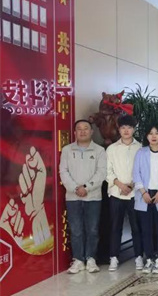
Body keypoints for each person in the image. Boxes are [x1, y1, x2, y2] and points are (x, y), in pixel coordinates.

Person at [59, 120, 107, 274]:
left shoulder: (99, 150)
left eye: (86, 128)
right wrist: (75, 188)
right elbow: (63, 171)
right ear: (74, 132)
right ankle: (78, 260)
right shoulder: (67, 150)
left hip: (93, 196)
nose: (82, 131)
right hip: (72, 197)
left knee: (92, 229)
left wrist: (86, 187)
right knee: (76, 230)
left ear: (91, 132)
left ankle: (91, 258)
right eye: (79, 129)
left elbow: (102, 172)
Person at [106, 115, 143, 272]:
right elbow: (108, 171)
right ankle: (113, 257)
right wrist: (120, 184)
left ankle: (139, 256)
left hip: (135, 193)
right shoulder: (112, 149)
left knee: (136, 227)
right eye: (123, 128)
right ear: (119, 129)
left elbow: (143, 170)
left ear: (134, 129)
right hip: (116, 193)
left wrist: (132, 185)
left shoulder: (140, 148)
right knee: (115, 226)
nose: (126, 130)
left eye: (129, 127)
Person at [133, 124, 158, 274]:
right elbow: (136, 174)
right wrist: (143, 192)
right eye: (150, 133)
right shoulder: (141, 152)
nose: (154, 136)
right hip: (144, 194)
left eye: (157, 133)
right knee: (146, 229)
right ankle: (149, 258)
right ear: (147, 136)